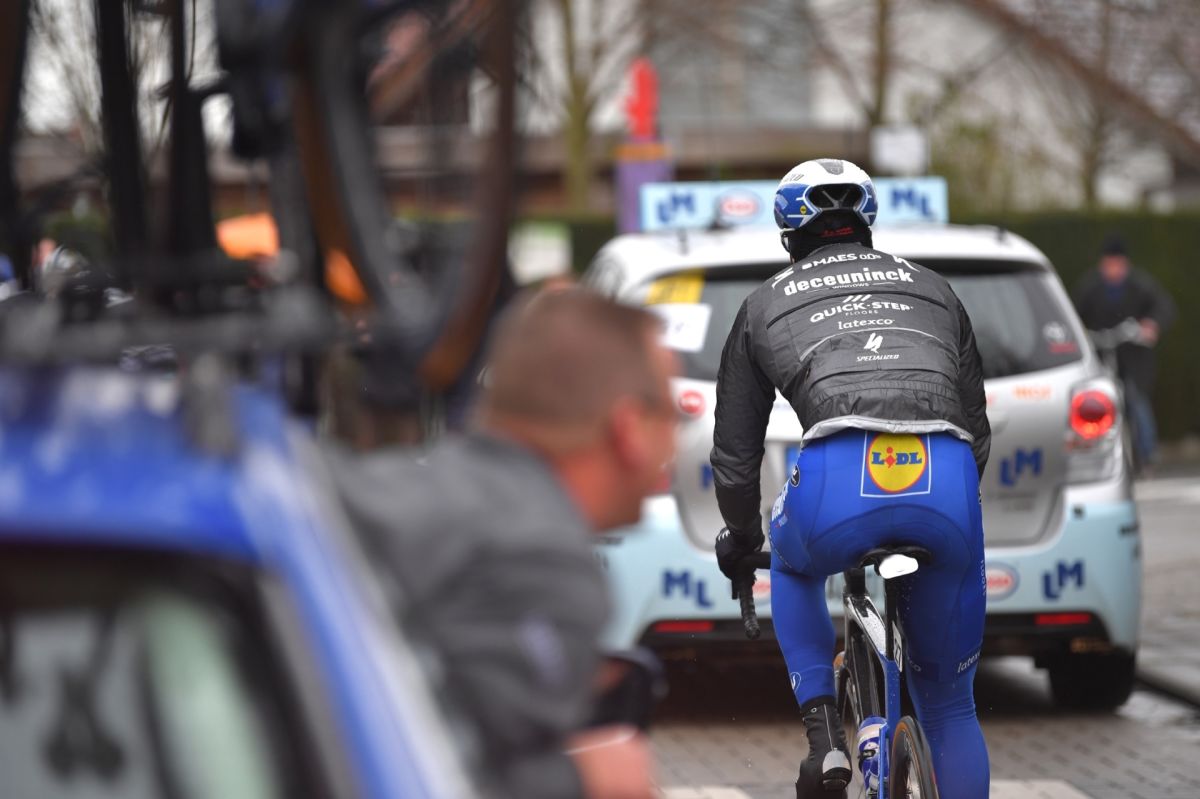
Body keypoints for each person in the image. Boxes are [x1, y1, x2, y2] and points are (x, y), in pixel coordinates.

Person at [710, 159, 991, 798]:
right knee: (951, 707)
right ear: (867, 225)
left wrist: (743, 538)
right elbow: (975, 429)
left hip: (835, 483)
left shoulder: (763, 303)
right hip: (945, 479)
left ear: (788, 235)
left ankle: (825, 739)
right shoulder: (933, 288)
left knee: (791, 563)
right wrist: (946, 518)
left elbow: (735, 454)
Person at [327, 289, 676, 799]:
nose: (675, 438)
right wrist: (585, 778)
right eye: (671, 413)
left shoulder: (431, 486)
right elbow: (453, 780)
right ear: (629, 429)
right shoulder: (539, 561)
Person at [1073, 234, 1175, 471]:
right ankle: (1097, 454)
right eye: (1109, 264)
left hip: (1134, 357)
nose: (1113, 269)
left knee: (1137, 402)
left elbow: (1164, 306)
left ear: (1125, 264)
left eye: (1117, 264)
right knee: (1096, 403)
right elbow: (1074, 312)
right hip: (1102, 356)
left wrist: (1151, 325)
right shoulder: (1090, 287)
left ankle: (1147, 453)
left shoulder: (1140, 285)